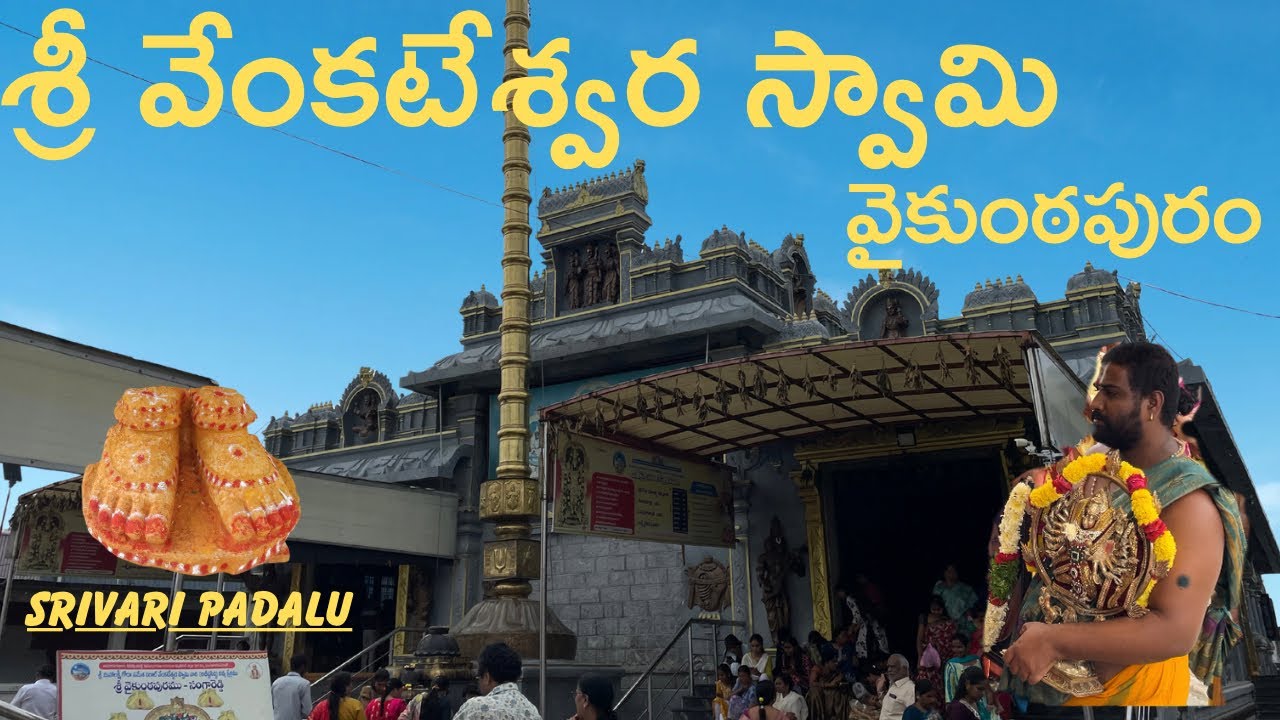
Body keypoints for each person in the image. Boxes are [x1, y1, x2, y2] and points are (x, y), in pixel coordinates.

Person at [1002, 341, 1245, 707]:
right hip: (1040, 686)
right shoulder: (1095, 471)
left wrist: (1054, 640)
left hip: (1126, 700)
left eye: (1111, 393)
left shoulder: (1189, 500)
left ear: (1153, 404)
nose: (1094, 405)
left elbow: (1174, 631)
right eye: (1098, 390)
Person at [453, 642, 540, 720]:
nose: (478, 683)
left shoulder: (475, 708)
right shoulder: (531, 710)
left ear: (487, 677)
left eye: (479, 678)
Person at [932, 565, 978, 631]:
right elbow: (934, 606)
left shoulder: (966, 589)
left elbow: (973, 608)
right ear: (944, 573)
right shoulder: (938, 587)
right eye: (949, 571)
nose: (951, 573)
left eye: (954, 571)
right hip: (942, 625)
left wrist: (970, 615)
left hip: (963, 626)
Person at [272, 654, 312, 720]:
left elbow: (272, 704)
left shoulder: (276, 682)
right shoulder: (304, 684)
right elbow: (307, 710)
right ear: (303, 667)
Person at [879, 655, 915, 720]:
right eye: (888, 667)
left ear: (904, 669)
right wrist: (880, 691)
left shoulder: (910, 689)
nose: (889, 670)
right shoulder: (893, 685)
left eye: (893, 667)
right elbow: (888, 708)